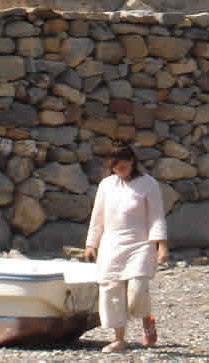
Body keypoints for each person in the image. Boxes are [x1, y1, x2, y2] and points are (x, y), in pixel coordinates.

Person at [84, 142, 169, 352]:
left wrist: (162, 246)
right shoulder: (106, 185)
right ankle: (119, 339)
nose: (118, 171)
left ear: (132, 161)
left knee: (137, 290)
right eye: (115, 168)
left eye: (122, 166)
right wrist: (91, 244)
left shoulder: (148, 183)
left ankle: (146, 318)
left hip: (140, 243)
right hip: (112, 244)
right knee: (111, 291)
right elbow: (98, 217)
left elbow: (156, 216)